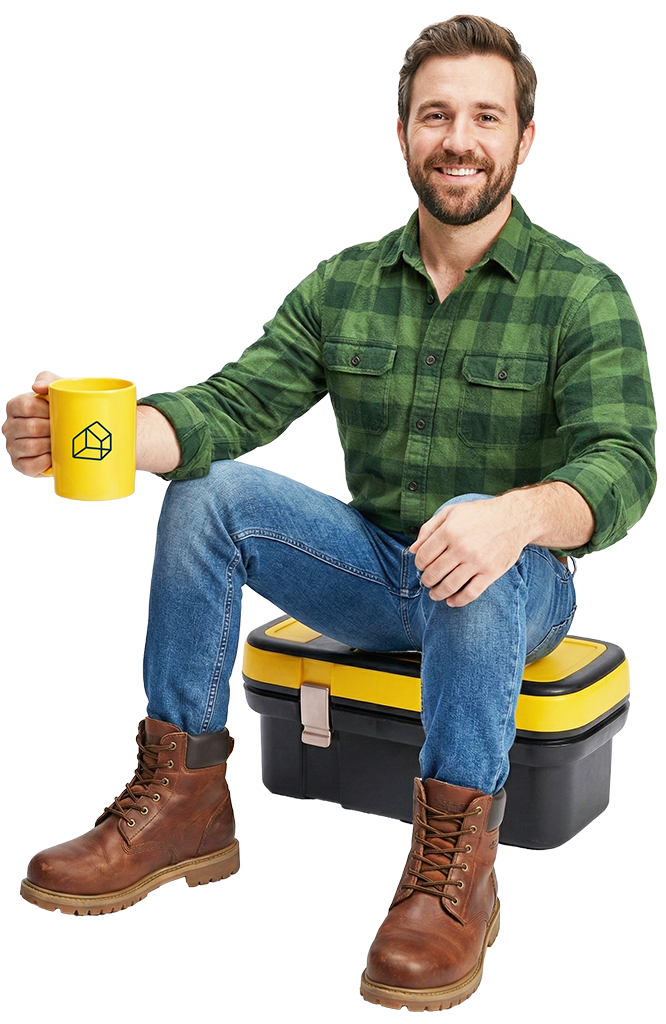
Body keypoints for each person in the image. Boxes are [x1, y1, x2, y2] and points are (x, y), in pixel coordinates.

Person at [3, 15, 656, 1012]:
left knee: (470, 532)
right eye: (436, 114)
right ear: (403, 133)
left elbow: (624, 464)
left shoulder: (582, 295)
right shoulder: (344, 285)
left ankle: (454, 868)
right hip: (376, 575)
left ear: (525, 138)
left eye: (486, 116)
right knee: (211, 494)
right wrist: (102, 435)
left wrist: (514, 518)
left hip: (520, 585)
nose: (460, 138)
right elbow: (231, 406)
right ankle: (184, 804)